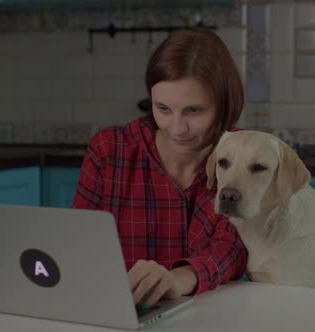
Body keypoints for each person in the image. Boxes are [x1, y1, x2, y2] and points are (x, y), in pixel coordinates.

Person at [72, 28, 247, 308]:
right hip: (120, 317)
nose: (177, 129)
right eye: (163, 108)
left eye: (194, 111)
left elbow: (233, 248)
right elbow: (78, 243)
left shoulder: (243, 157)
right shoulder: (109, 150)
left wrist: (180, 278)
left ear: (223, 105)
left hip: (213, 317)